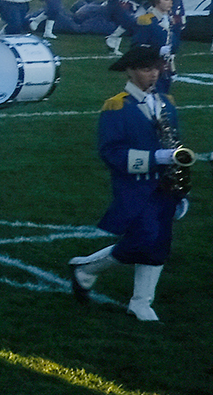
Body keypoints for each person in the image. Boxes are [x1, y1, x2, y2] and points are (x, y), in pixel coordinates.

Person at [69, 44, 187, 322]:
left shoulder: (167, 103)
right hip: (134, 185)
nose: (154, 74)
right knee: (143, 238)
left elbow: (176, 145)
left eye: (156, 68)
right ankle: (87, 269)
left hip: (166, 185)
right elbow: (111, 153)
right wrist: (155, 157)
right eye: (147, 69)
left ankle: (141, 301)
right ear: (131, 71)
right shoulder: (116, 106)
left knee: (159, 242)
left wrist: (182, 188)